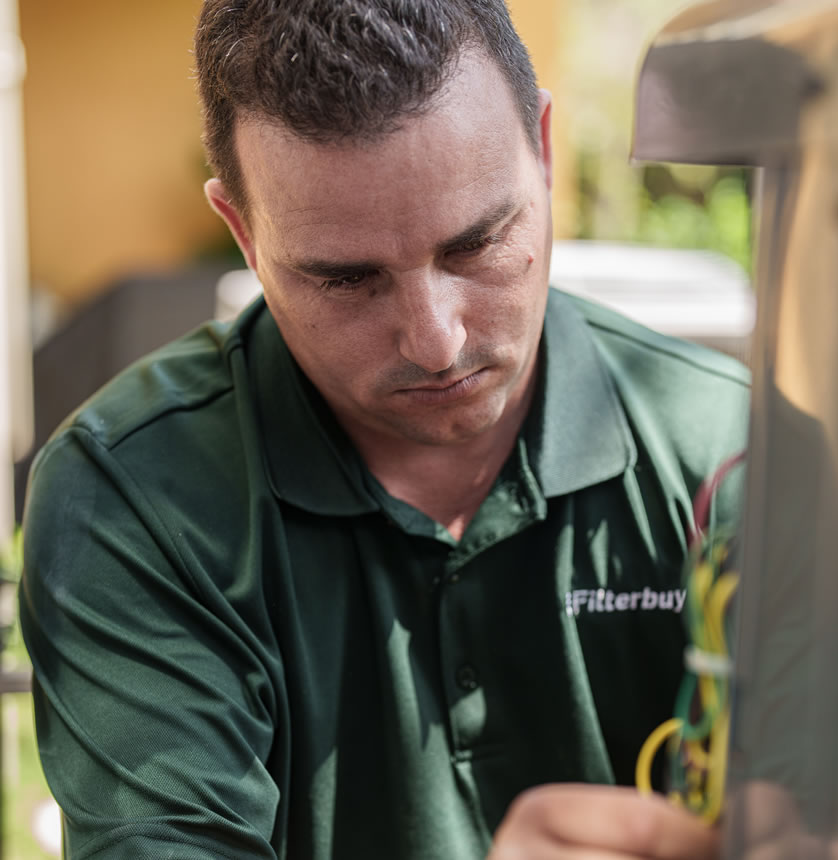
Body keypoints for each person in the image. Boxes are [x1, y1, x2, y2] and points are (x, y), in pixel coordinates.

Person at [19, 1, 750, 857]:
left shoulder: (734, 458)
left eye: (477, 243)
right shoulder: (135, 496)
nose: (437, 341)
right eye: (347, 279)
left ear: (545, 152)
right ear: (245, 234)